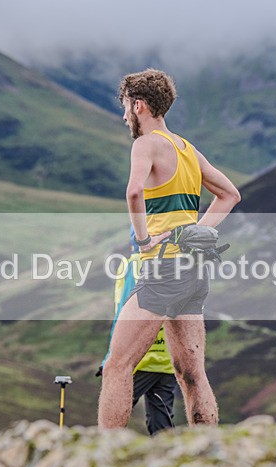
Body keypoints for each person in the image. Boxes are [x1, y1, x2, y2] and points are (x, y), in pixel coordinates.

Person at [98, 69, 241, 429]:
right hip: (192, 271)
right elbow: (229, 195)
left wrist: (145, 241)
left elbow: (133, 192)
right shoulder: (186, 148)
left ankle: (103, 458)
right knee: (191, 373)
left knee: (118, 365)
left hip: (163, 268)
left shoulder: (145, 145)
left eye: (127, 108)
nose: (125, 116)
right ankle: (207, 451)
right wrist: (194, 234)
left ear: (140, 105)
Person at [97, 227, 177, 435]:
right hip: (168, 360)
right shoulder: (176, 266)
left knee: (113, 416)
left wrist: (110, 358)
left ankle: (106, 460)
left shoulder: (134, 265)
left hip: (137, 360)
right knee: (162, 426)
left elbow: (124, 316)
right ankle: (167, 464)